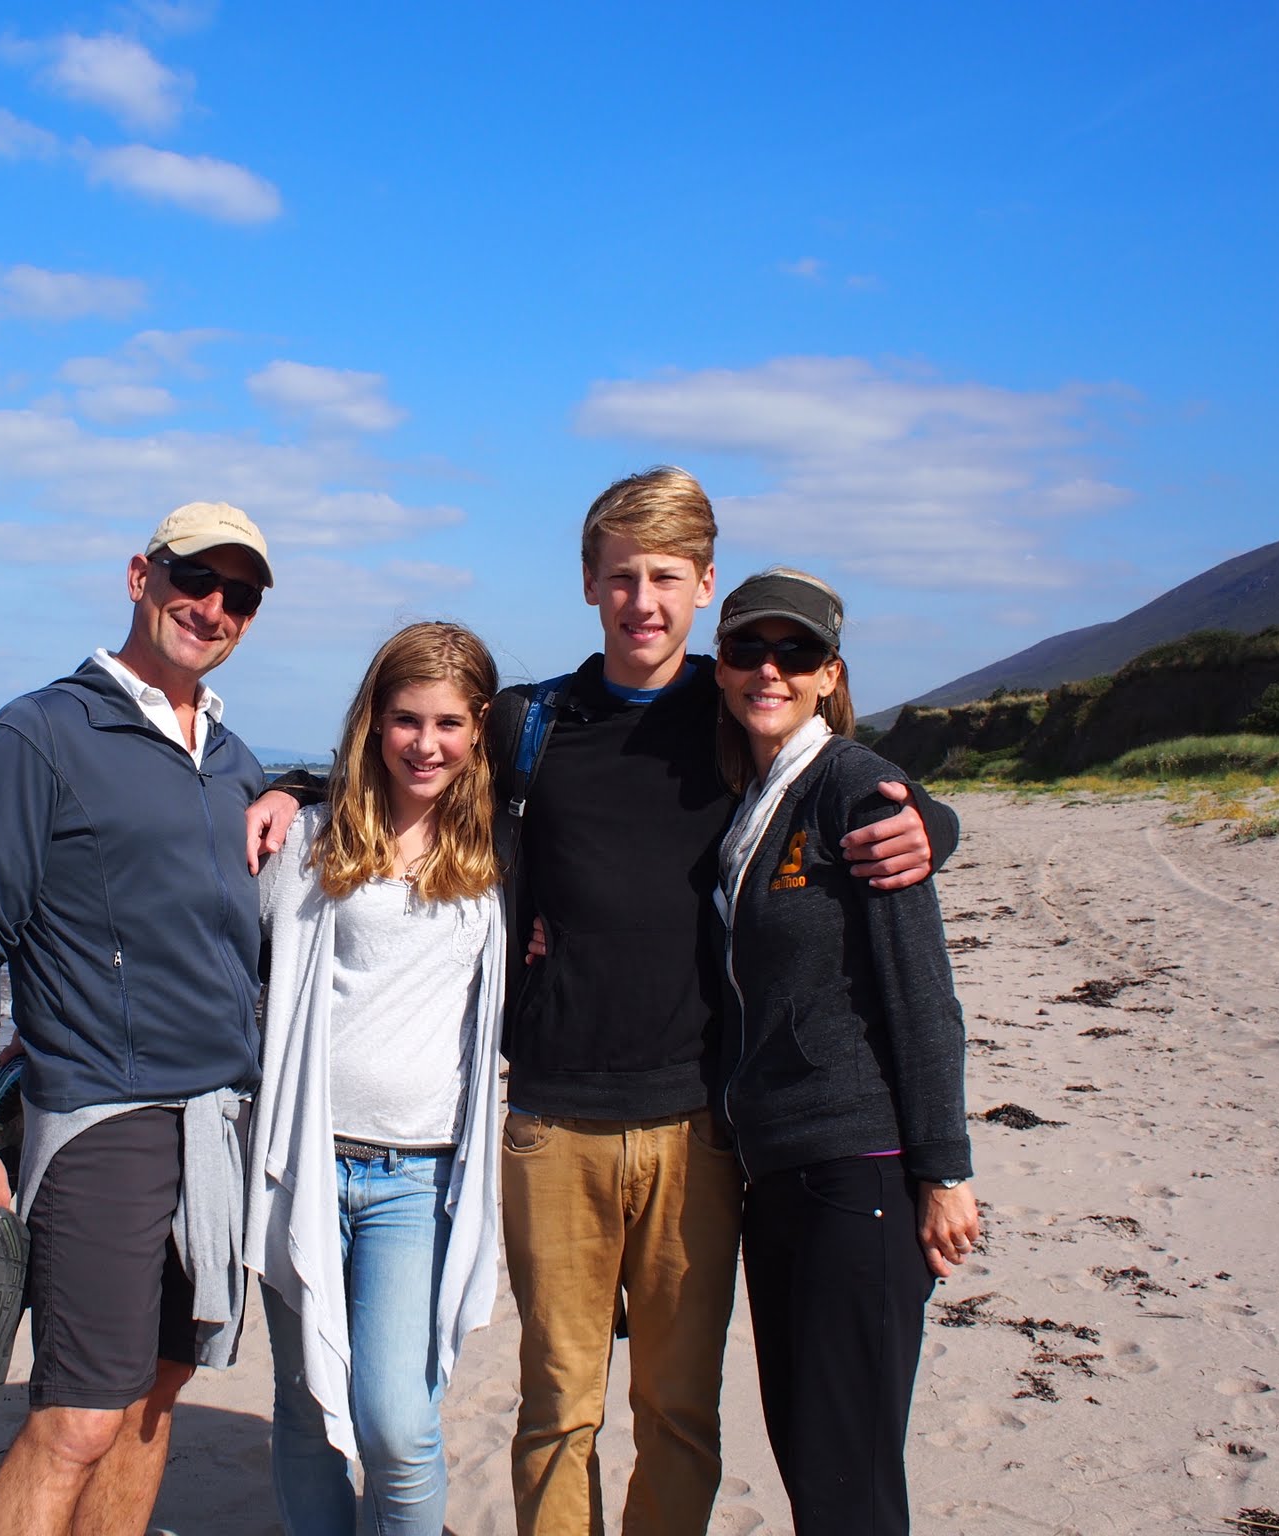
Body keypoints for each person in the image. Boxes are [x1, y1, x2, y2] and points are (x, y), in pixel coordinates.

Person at [249, 467, 956, 1536]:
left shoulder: (733, 721)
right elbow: (403, 760)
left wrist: (934, 826)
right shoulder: (533, 722)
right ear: (588, 583)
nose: (642, 601)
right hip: (551, 1124)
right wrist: (288, 790)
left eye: (665, 578)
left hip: (697, 1129)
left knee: (677, 1413)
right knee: (556, 1411)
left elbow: (850, 779)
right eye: (621, 576)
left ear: (703, 586)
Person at [0, 501, 275, 1536]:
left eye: (238, 595)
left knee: (153, 1396)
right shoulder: (40, 732)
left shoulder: (233, 757)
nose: (211, 606)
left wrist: (301, 788)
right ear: (140, 576)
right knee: (78, 1414)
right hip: (100, 1118)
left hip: (218, 1122)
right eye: (193, 578)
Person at [710, 568, 977, 1535]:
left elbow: (921, 992)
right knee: (813, 1464)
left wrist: (944, 1170)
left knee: (848, 1481)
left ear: (832, 674)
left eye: (796, 654)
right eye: (747, 649)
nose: (768, 670)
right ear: (720, 668)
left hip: (856, 1173)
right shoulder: (749, 796)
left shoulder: (853, 786)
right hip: (779, 1173)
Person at [247, 621, 508, 1535]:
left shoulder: (501, 852)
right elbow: (206, 942)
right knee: (308, 1413)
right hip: (304, 1163)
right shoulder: (310, 840)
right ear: (373, 721)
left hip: (419, 1177)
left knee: (396, 1421)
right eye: (405, 720)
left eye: (446, 722)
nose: (425, 744)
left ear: (479, 727)